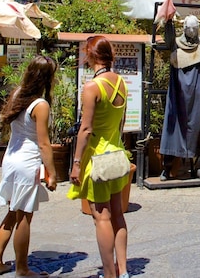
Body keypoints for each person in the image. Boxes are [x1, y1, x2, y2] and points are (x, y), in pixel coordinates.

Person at [0, 56, 59, 278]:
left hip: (10, 159)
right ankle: (22, 268)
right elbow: (44, 142)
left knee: (11, 213)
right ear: (48, 78)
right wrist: (53, 173)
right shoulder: (40, 105)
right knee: (24, 216)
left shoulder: (18, 94)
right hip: (27, 163)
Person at [68, 35, 131, 278]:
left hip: (97, 158)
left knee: (101, 216)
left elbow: (85, 129)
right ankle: (123, 270)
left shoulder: (92, 87)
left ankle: (109, 273)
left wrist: (76, 163)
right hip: (116, 154)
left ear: (90, 55)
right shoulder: (121, 83)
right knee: (117, 214)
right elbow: (121, 123)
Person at [159, 15, 200, 180]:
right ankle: (167, 167)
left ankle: (197, 167)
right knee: (173, 127)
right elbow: (168, 37)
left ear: (197, 29)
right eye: (188, 29)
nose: (191, 32)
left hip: (198, 91)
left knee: (196, 128)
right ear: (184, 28)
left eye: (194, 29)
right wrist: (168, 21)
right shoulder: (175, 44)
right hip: (177, 91)